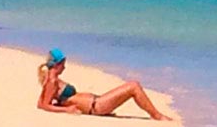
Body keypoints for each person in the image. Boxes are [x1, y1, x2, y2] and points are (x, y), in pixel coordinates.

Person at [36, 49, 168, 119]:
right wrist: (66, 109)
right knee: (134, 86)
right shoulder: (52, 82)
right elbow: (43, 105)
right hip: (96, 106)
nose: (64, 68)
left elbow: (43, 101)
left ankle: (157, 115)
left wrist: (61, 103)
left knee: (133, 87)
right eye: (63, 65)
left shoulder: (51, 80)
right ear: (57, 64)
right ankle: (157, 116)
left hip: (96, 102)